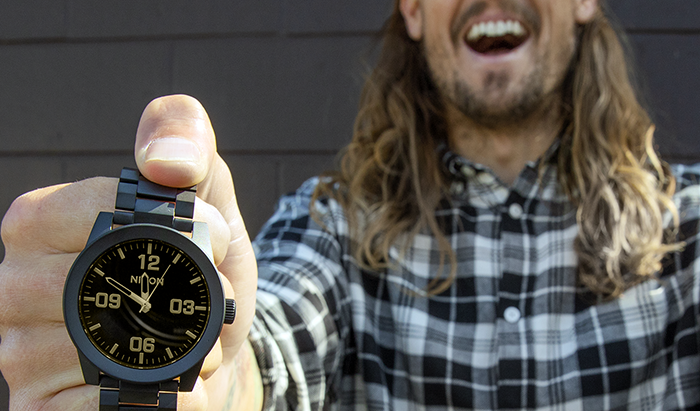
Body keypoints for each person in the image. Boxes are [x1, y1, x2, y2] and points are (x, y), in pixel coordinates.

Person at [0, 0, 698, 409]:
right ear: (415, 12)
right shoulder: (332, 222)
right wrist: (202, 371)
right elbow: (264, 339)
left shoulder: (689, 229)